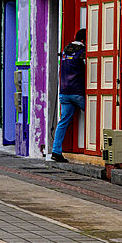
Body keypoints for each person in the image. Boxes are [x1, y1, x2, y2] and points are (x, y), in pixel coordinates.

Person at [51, 29, 87, 162]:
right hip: (77, 92)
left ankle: (56, 151)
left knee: (63, 122)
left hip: (64, 92)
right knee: (94, 117)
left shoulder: (66, 50)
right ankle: (97, 148)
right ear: (83, 40)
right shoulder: (82, 52)